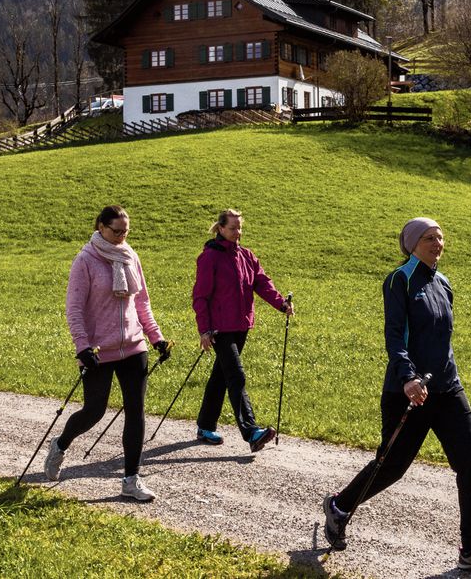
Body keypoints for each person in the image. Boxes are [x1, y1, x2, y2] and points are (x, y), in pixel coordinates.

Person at [321, 218, 471, 576]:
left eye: (440, 237)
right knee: (392, 466)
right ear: (411, 243)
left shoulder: (443, 282)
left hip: (447, 388)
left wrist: (444, 373)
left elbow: (442, 339)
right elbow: (395, 334)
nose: (437, 243)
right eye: (428, 238)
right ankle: (340, 506)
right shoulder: (399, 280)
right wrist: (408, 377)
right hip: (408, 390)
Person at [44, 205, 170, 502]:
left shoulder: (130, 256)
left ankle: (130, 479)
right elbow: (74, 309)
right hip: (99, 350)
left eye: (126, 231)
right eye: (116, 231)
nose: (121, 236)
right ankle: (60, 445)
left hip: (133, 345)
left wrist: (156, 337)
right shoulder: (85, 260)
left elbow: (142, 303)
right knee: (94, 410)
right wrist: (82, 346)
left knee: (136, 412)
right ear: (101, 226)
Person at [191, 209, 294, 452]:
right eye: (233, 228)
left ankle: (205, 426)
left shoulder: (246, 255)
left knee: (221, 377)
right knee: (236, 376)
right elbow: (200, 296)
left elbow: (262, 283)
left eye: (240, 228)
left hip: (241, 325)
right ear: (221, 228)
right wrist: (204, 329)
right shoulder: (209, 257)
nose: (237, 233)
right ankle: (251, 432)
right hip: (219, 329)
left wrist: (281, 304)